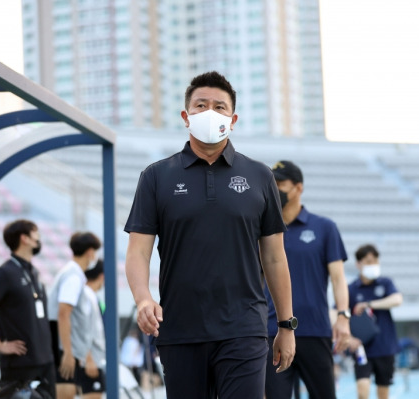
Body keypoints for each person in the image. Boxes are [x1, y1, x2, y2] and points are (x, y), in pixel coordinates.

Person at [124, 71, 296, 399]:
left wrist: (286, 325)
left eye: (219, 106)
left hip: (244, 328)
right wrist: (143, 297)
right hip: (179, 330)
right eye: (201, 105)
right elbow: (138, 251)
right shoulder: (156, 177)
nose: (210, 112)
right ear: (186, 116)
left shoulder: (260, 176)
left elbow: (274, 256)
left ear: (233, 119)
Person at [264, 160, 350, 399]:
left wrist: (343, 316)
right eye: (272, 184)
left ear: (298, 188)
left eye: (281, 183)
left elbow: (338, 278)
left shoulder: (324, 228)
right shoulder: (262, 229)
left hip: (314, 330)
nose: (275, 190)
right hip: (273, 332)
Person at [0, 219, 56, 399]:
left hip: (44, 362)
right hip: (20, 366)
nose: (39, 239)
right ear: (24, 238)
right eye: (36, 234)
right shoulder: (5, 273)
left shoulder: (33, 272)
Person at [47, 232, 101, 399]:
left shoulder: (73, 274)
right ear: (90, 252)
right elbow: (63, 313)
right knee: (65, 392)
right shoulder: (73, 276)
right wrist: (68, 353)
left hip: (65, 345)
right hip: (63, 347)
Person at [346, 244, 403, 399]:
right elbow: (338, 314)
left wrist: (369, 304)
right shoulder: (351, 289)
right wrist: (349, 338)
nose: (374, 264)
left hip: (385, 347)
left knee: (383, 394)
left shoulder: (385, 283)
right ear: (359, 264)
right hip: (361, 349)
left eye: (376, 261)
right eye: (369, 261)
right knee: (362, 392)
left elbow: (397, 299)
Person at [82, 259, 106, 398]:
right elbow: (80, 329)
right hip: (90, 360)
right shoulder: (86, 295)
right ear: (102, 276)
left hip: (93, 358)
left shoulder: (92, 296)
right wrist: (89, 359)